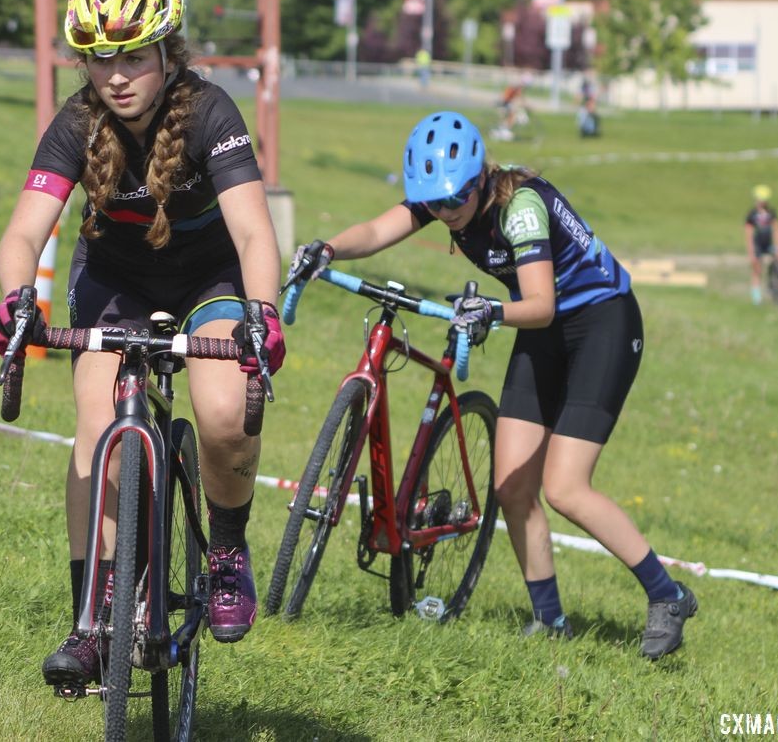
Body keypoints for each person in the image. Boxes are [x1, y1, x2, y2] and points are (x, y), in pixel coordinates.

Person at [289, 111, 697, 660]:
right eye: (434, 205)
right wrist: (328, 249)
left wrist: (490, 313)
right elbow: (379, 230)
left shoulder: (520, 208)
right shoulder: (444, 196)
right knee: (510, 487)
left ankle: (667, 594)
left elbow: (543, 304)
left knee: (566, 488)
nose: (446, 214)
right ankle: (550, 622)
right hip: (544, 329)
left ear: (481, 179)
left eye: (455, 202)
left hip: (601, 322)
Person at [0, 0, 283, 689]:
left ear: (165, 51)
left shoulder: (211, 112)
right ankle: (94, 618)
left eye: (131, 55)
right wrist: (17, 297)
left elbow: (252, 232)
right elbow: (24, 233)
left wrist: (263, 311)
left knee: (222, 413)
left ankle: (225, 550)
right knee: (98, 429)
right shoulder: (78, 121)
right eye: (97, 57)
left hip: (208, 280)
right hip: (115, 278)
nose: (114, 73)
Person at [744, 184, 778, 305]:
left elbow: (777, 229)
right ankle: (756, 299)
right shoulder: (752, 215)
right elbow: (748, 235)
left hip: (769, 244)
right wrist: (751, 252)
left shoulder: (771, 213)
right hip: (757, 245)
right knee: (757, 270)